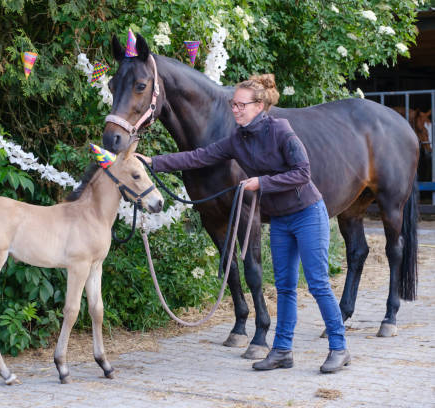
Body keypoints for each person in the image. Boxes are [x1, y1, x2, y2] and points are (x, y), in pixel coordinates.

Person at [135, 74, 350, 374]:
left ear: (259, 106)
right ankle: (282, 351)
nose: (234, 109)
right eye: (232, 104)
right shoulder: (238, 139)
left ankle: (339, 348)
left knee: (317, 283)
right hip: (280, 220)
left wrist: (261, 182)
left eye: (240, 105)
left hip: (306, 212)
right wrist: (153, 162)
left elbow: (303, 173)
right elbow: (199, 156)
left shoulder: (281, 131)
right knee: (285, 287)